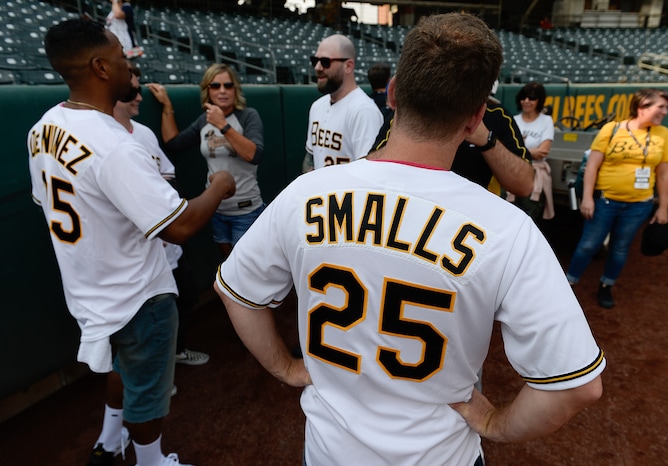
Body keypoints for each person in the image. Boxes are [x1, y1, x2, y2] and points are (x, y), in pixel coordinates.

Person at [214, 12, 604, 466]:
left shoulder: (306, 193)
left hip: (328, 454)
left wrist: (285, 367)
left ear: (394, 92)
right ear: (476, 116)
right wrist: (496, 423)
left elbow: (236, 292)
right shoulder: (507, 228)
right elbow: (578, 385)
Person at [29, 19, 235, 466]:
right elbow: (177, 226)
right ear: (101, 67)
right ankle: (152, 461)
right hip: (136, 293)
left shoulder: (42, 128)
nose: (129, 68)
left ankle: (110, 441)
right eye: (123, 60)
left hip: (89, 287)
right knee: (147, 395)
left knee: (121, 370)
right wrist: (218, 186)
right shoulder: (114, 144)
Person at [114, 67, 210, 367]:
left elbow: (167, 175)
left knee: (185, 298)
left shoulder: (142, 132)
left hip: (167, 242)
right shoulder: (106, 141)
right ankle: (157, 375)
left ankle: (176, 354)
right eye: (132, 92)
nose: (139, 97)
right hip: (138, 251)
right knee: (145, 323)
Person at [566, 88, 668, 309]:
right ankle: (568, 284)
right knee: (588, 245)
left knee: (620, 248)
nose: (665, 112)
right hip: (605, 201)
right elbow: (592, 166)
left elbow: (663, 175)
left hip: (639, 205)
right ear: (642, 106)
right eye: (660, 107)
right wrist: (587, 197)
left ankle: (606, 286)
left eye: (667, 108)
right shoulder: (612, 129)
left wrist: (663, 208)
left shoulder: (663, 134)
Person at [147, 63, 265, 258]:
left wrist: (223, 125)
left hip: (246, 210)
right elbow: (174, 142)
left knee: (245, 267)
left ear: (235, 89)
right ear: (207, 90)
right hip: (216, 210)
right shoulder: (204, 121)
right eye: (215, 86)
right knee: (227, 263)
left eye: (228, 85)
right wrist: (167, 106)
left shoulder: (248, 116)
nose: (222, 91)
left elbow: (253, 155)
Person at [371, 80, 534, 198]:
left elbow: (524, 186)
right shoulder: (412, 110)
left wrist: (486, 139)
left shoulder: (497, 116)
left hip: (474, 219)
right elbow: (370, 166)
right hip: (413, 211)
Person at [302, 34, 383, 172]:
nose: (317, 67)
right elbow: (310, 159)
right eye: (315, 60)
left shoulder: (364, 111)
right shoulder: (317, 106)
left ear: (348, 66)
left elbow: (369, 173)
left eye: (325, 61)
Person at [514, 82, 555, 219]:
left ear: (539, 100)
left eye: (531, 98)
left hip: (534, 175)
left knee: (530, 216)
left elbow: (543, 152)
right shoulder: (514, 120)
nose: (526, 101)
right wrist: (531, 152)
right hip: (511, 172)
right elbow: (505, 149)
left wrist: (517, 150)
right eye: (524, 97)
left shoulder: (546, 120)